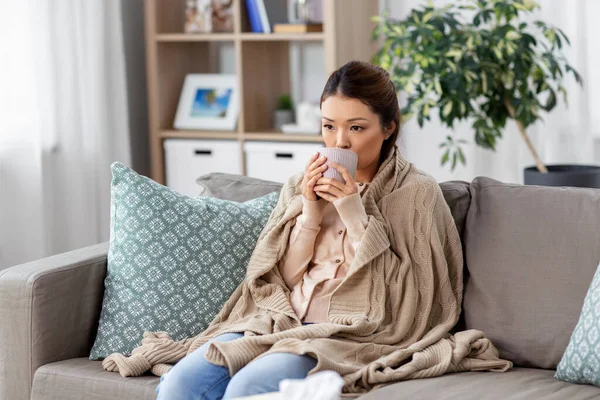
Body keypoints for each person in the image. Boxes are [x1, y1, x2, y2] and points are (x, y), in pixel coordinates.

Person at [104, 60, 511, 399]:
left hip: (345, 333)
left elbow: (409, 298)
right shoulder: (301, 184)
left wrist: (353, 211)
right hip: (277, 321)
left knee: (248, 386)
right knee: (180, 384)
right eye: (328, 126)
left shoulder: (416, 194)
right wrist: (310, 212)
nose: (340, 141)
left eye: (356, 127)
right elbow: (275, 278)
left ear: (388, 128)